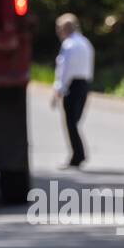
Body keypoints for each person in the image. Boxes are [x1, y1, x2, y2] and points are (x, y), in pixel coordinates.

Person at [51, 13, 94, 168]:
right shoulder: (85, 43)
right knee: (75, 121)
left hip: (72, 85)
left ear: (65, 28)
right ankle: (78, 154)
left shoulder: (69, 45)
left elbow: (64, 69)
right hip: (84, 84)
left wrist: (59, 88)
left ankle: (77, 156)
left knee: (71, 123)